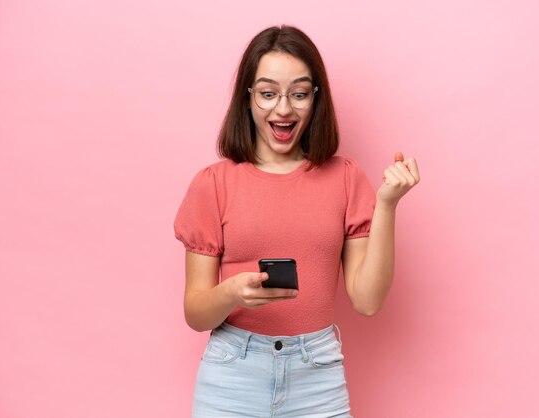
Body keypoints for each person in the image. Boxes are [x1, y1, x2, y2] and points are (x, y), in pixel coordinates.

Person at [174, 25, 420, 417]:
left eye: (300, 94)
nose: (284, 109)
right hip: (232, 375)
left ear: (315, 99)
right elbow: (195, 313)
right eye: (268, 93)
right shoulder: (214, 184)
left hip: (317, 375)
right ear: (248, 97)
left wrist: (387, 205)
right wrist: (233, 293)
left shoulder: (346, 178)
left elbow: (368, 301)